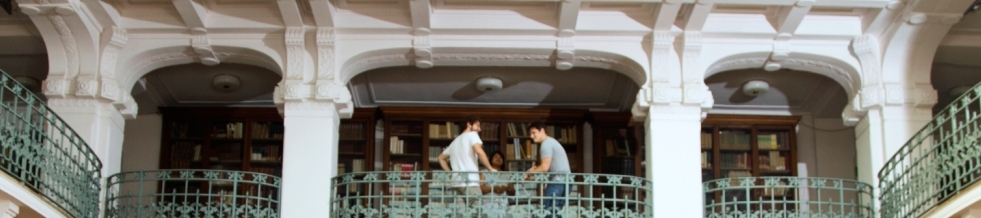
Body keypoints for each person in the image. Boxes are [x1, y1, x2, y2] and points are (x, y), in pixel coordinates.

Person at [438, 115, 497, 217]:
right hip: (470, 182)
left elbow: (440, 158)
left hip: (456, 183)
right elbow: (479, 151)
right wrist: (490, 168)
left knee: (460, 214)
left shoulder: (454, 142)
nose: (480, 129)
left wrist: (450, 173)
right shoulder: (472, 135)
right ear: (469, 124)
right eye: (478, 125)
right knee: (476, 212)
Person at [525, 121, 570, 218]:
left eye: (533, 133)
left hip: (557, 182)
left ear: (542, 130)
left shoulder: (546, 144)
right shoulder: (551, 141)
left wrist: (529, 173)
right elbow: (549, 165)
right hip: (566, 182)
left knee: (549, 213)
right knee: (555, 212)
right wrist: (537, 168)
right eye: (530, 134)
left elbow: (544, 168)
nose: (531, 136)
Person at [480, 151, 515, 218]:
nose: (498, 159)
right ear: (490, 159)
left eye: (501, 157)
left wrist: (506, 189)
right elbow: (480, 188)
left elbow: (513, 192)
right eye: (496, 157)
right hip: (488, 203)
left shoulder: (507, 174)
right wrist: (493, 188)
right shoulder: (484, 172)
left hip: (503, 204)